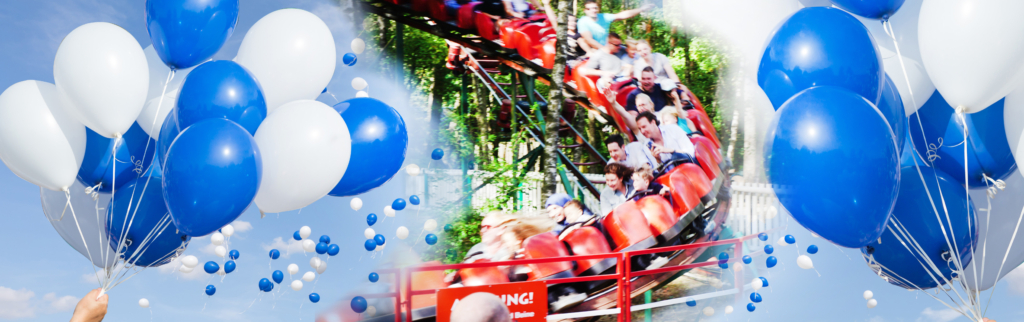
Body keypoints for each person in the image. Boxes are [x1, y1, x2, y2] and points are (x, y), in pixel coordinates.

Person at [576, 0, 654, 48]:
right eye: (589, 8)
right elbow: (589, 40)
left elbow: (622, 15)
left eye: (594, 8)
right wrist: (604, 51)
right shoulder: (583, 21)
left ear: (597, 8)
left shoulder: (603, 17)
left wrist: (641, 9)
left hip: (609, 47)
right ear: (585, 10)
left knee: (630, 49)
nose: (593, 10)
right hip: (596, 50)